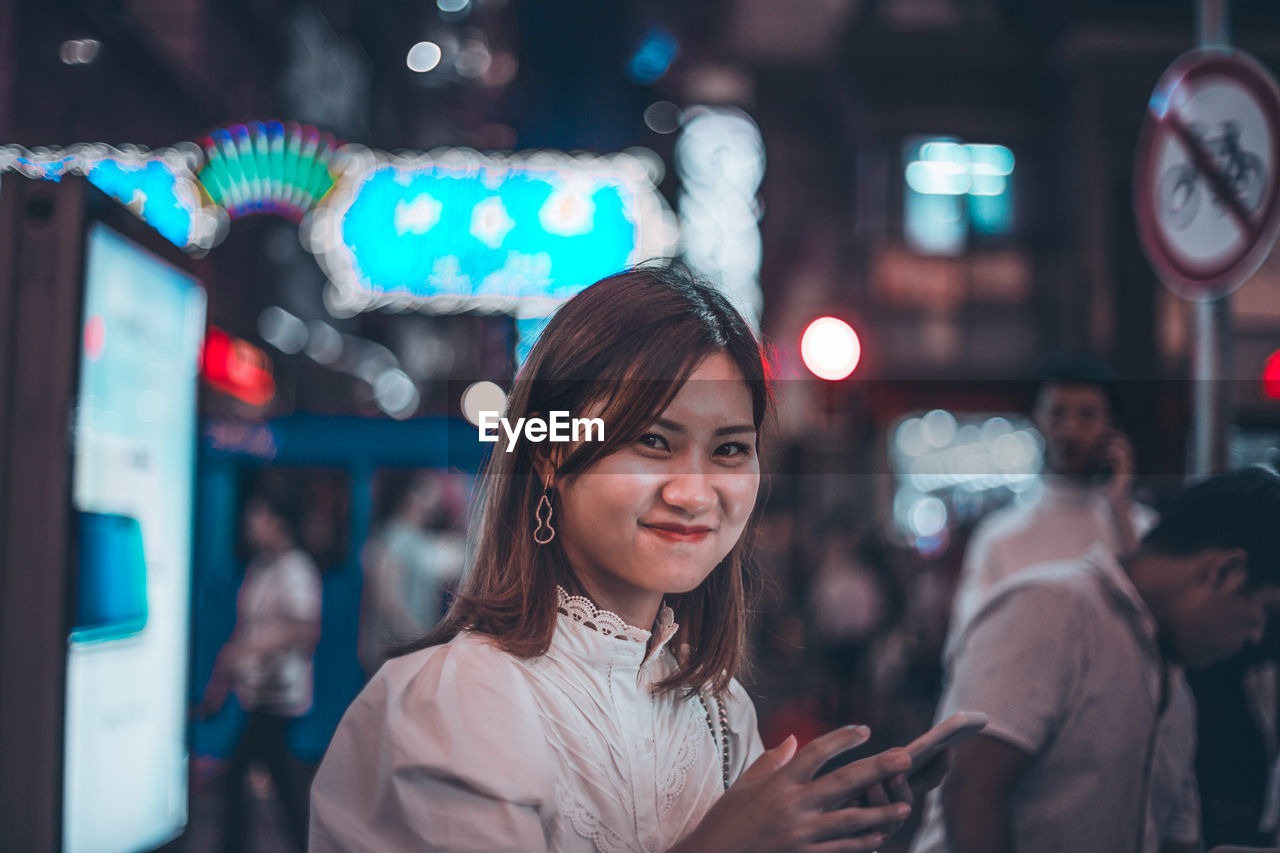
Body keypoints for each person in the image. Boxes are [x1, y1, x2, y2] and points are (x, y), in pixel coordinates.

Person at [310, 266, 948, 852]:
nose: (694, 493)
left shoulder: (721, 710)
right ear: (550, 454)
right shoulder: (447, 703)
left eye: (729, 450)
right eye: (652, 441)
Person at [910, 467, 1280, 853]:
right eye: (1265, 612)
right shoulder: (1053, 607)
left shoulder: (1174, 690)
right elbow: (971, 789)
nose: (1255, 635)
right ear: (1226, 572)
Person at [945, 356, 1154, 649]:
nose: (1070, 430)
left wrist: (1120, 507)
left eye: (1088, 415)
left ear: (1112, 425)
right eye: (1057, 413)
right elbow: (968, 644)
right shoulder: (999, 536)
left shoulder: (1142, 528)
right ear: (1036, 419)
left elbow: (1154, 627)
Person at [202, 480, 324, 853]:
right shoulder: (261, 566)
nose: (250, 524)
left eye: (258, 516)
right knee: (278, 779)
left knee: (241, 773)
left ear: (278, 521)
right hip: (257, 691)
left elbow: (305, 629)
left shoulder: (296, 568)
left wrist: (251, 648)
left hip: (278, 693)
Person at [357, 471, 465, 677]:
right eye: (428, 490)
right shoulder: (390, 537)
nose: (437, 499)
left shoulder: (420, 540)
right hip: (393, 653)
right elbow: (388, 601)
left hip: (413, 649)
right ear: (409, 494)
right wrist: (419, 640)